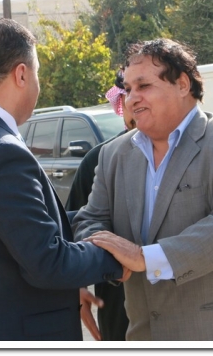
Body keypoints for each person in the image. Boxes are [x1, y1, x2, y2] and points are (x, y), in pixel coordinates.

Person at [0, 18, 126, 341]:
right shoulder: (0, 150)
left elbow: (6, 235)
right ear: (21, 74)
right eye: (37, 73)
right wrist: (119, 256)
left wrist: (97, 223)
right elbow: (47, 261)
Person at [72, 38, 213, 341]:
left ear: (182, 84)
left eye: (144, 86)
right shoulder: (112, 155)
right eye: (128, 89)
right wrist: (107, 259)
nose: (132, 98)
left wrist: (144, 257)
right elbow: (90, 219)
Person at [65, 77, 136, 341]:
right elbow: (72, 230)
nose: (135, 102)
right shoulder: (98, 159)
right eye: (128, 93)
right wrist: (76, 287)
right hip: (118, 309)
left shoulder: (200, 154)